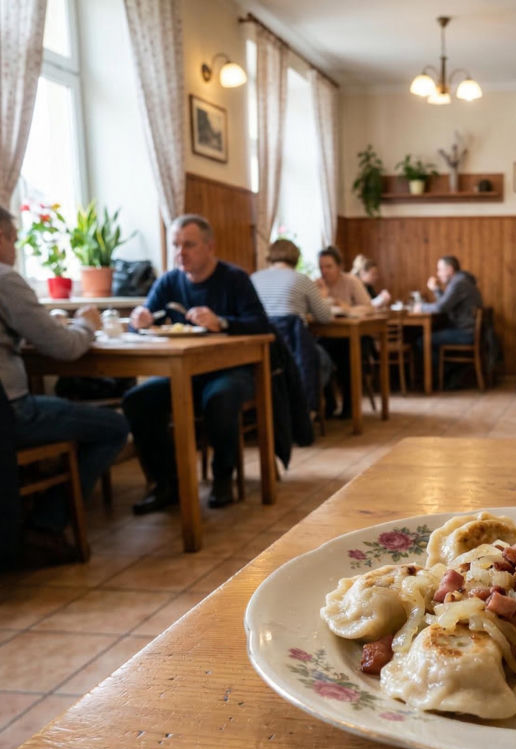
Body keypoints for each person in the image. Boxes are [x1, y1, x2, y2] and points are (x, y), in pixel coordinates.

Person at [0, 205, 129, 560]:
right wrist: (87, 323)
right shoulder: (5, 279)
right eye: (13, 239)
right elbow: (65, 348)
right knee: (115, 426)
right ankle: (46, 523)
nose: (14, 249)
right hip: (13, 413)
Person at [124, 214, 269, 513]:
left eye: (189, 245)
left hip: (233, 369)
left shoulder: (234, 279)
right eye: (176, 245)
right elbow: (141, 320)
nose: (181, 252)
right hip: (183, 373)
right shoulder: (169, 281)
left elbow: (262, 324)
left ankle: (222, 477)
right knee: (138, 400)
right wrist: (139, 319)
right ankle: (166, 483)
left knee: (219, 397)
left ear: (209, 246)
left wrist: (223, 322)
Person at [251, 238, 335, 395]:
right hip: (294, 346)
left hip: (261, 348)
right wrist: (323, 296)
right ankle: (305, 406)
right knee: (324, 360)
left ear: (270, 256)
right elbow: (325, 317)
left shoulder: (254, 278)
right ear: (296, 258)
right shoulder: (302, 279)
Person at [314, 246, 372, 416]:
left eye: (329, 266)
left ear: (339, 266)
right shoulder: (316, 284)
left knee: (347, 357)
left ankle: (350, 406)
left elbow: (368, 307)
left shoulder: (351, 281)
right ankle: (329, 404)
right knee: (316, 355)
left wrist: (343, 306)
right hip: (326, 335)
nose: (324, 271)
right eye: (321, 267)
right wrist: (321, 297)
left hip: (354, 336)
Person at [414, 255, 483, 383]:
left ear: (450, 270)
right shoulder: (461, 280)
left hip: (465, 332)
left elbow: (441, 307)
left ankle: (442, 377)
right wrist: (436, 290)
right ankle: (447, 374)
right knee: (423, 335)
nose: (438, 274)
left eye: (440, 270)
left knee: (423, 340)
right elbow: (446, 304)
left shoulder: (459, 283)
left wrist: (421, 307)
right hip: (466, 329)